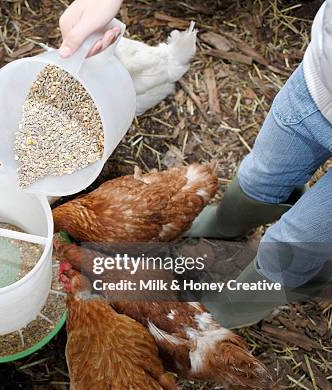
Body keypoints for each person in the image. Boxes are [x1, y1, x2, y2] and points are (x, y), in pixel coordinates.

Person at [59, 0, 332, 328]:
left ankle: (230, 310)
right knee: (263, 174)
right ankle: (227, 225)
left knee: (292, 243)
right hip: (320, 81)